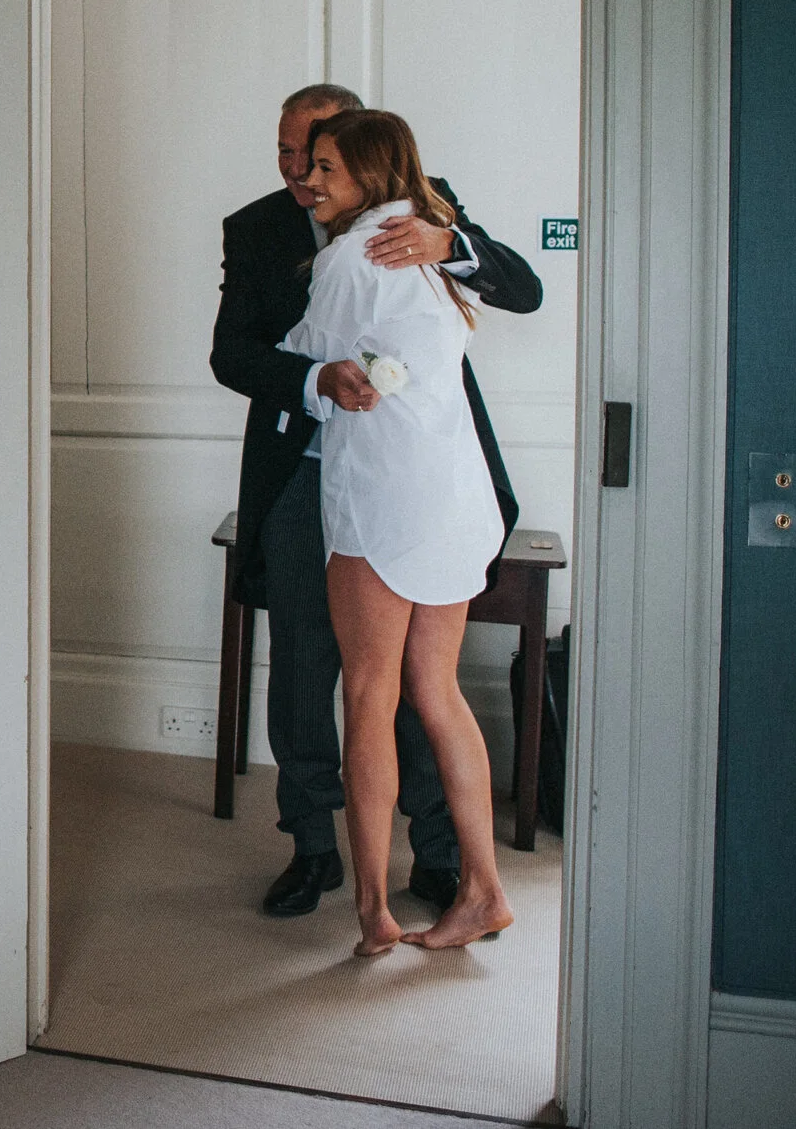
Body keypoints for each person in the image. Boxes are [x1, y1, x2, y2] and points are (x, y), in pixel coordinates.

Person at [210, 85, 539, 921]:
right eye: (285, 153)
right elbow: (232, 355)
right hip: (302, 469)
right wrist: (314, 377)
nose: (298, 172)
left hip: (405, 476)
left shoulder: (427, 208)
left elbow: (524, 288)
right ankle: (311, 846)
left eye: (315, 155)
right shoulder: (255, 228)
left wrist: (452, 243)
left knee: (407, 684)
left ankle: (437, 854)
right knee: (304, 662)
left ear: (358, 153)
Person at [279, 107, 519, 955]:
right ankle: (484, 889)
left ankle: (375, 908)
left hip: (385, 497)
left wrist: (317, 361)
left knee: (369, 694)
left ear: (371, 173)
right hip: (455, 494)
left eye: (328, 167)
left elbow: (305, 349)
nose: (311, 180)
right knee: (438, 691)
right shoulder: (438, 251)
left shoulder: (350, 257)